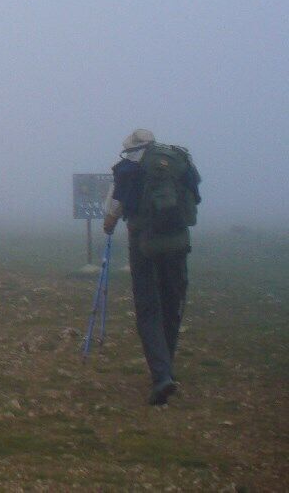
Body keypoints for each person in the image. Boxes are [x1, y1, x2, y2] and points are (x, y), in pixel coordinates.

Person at [103, 129, 202, 406]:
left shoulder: (130, 165)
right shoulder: (178, 160)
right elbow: (195, 195)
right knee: (172, 303)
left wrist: (109, 222)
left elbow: (115, 204)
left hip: (143, 242)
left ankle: (161, 375)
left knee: (148, 307)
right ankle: (166, 366)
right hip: (178, 241)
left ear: (133, 146)